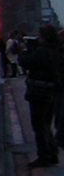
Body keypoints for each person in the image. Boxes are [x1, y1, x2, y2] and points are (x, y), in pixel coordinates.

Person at [20, 25, 61, 167]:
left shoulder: (42, 52)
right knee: (46, 124)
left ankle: (44, 156)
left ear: (44, 37)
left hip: (39, 92)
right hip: (51, 91)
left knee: (39, 125)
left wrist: (24, 50)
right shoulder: (57, 50)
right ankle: (52, 153)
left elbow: (25, 62)